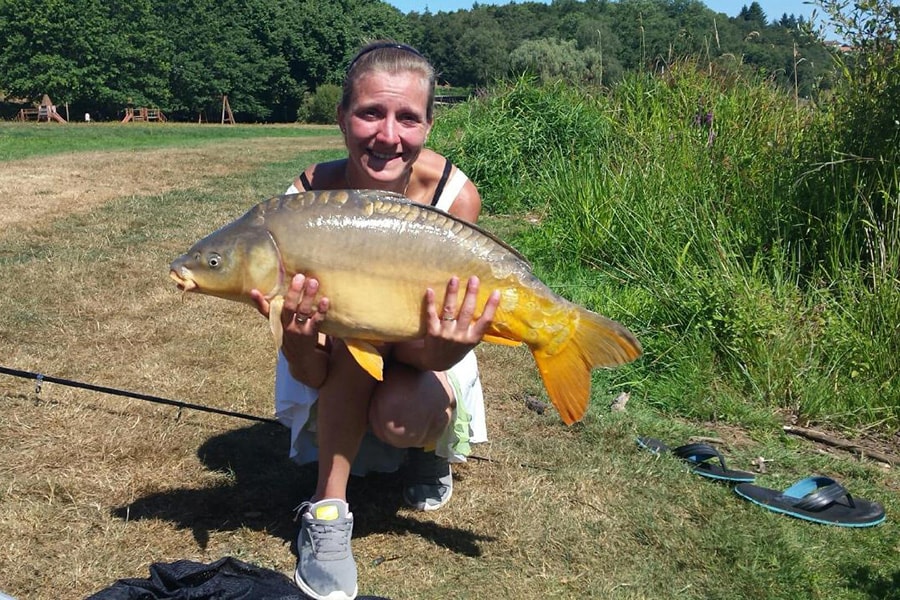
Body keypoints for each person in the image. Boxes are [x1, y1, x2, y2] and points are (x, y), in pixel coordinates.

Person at [250, 41, 500, 600]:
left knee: (404, 416)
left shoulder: (455, 196)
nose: (389, 136)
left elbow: (428, 346)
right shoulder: (304, 199)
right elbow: (311, 369)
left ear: (428, 125)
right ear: (341, 117)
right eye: (370, 113)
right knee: (346, 337)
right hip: (340, 349)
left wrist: (448, 344)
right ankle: (327, 511)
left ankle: (427, 453)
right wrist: (295, 343)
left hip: (423, 344)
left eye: (407, 117)